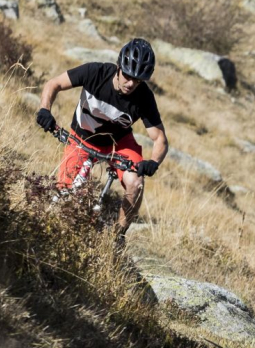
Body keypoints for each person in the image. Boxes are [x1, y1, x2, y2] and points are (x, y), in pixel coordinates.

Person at [35, 38, 168, 239]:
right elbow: (54, 84)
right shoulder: (95, 73)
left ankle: (118, 236)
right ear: (118, 67)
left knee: (136, 183)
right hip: (81, 138)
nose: (131, 83)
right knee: (66, 196)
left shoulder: (144, 97)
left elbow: (160, 139)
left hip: (118, 144)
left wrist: (153, 163)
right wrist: (45, 109)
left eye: (138, 80)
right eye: (128, 75)